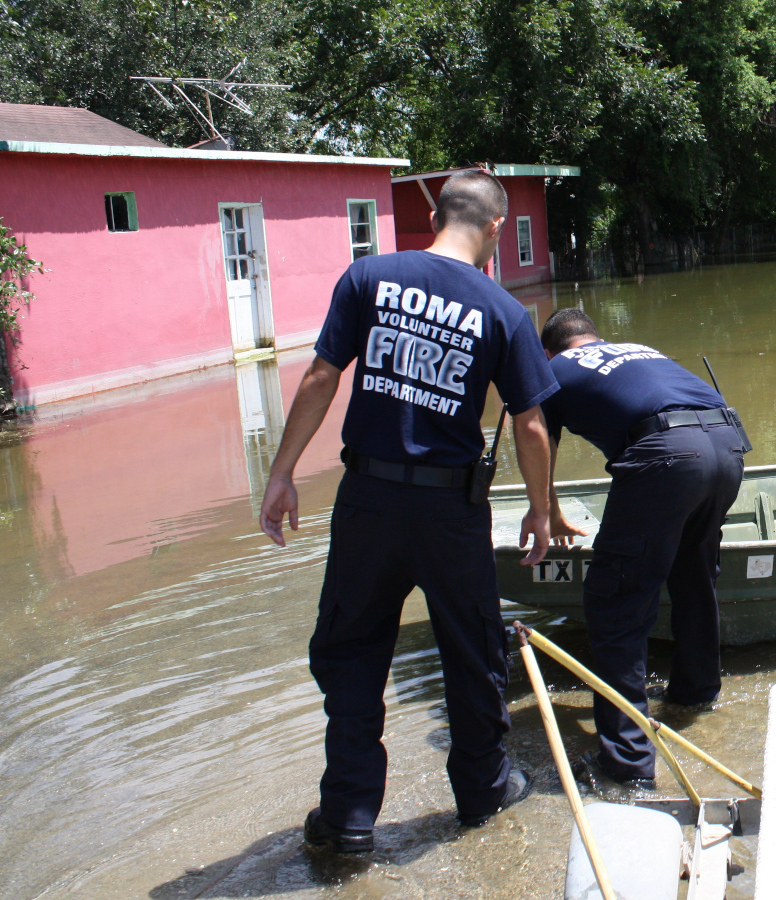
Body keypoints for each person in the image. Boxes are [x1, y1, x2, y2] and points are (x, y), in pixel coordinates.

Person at [259, 170, 560, 853]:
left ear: (435, 215)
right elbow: (530, 423)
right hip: (450, 511)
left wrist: (282, 474)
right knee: (472, 651)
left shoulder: (369, 278)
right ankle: (483, 794)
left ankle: (347, 819)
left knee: (352, 648)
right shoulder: (505, 312)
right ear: (492, 231)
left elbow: (320, 375)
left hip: (367, 499)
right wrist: (541, 511)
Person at [539, 308, 748, 785]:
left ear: (548, 351)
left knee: (614, 601)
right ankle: (696, 694)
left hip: (666, 455)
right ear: (594, 337)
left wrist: (546, 508)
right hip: (727, 447)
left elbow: (537, 438)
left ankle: (626, 764)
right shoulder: (640, 350)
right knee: (693, 576)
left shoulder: (552, 368)